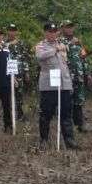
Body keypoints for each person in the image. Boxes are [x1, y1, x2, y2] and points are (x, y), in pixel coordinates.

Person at [36, 22, 79, 150]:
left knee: (66, 113)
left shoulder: (62, 44)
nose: (52, 34)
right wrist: (56, 50)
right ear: (45, 32)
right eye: (50, 31)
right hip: (49, 85)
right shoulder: (41, 45)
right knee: (46, 114)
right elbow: (40, 56)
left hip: (63, 84)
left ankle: (70, 141)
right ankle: (43, 140)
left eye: (55, 32)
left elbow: (66, 64)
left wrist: (69, 84)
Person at [59, 20, 92, 133]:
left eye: (71, 27)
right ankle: (67, 126)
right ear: (62, 29)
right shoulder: (59, 41)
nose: (70, 29)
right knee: (67, 101)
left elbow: (84, 57)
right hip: (66, 77)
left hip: (79, 76)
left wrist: (88, 73)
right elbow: (58, 54)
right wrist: (70, 44)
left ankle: (80, 125)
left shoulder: (78, 42)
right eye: (67, 27)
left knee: (79, 100)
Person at [5, 23, 30, 121]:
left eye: (14, 30)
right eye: (10, 30)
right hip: (7, 72)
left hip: (19, 71)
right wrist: (9, 44)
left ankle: (21, 114)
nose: (12, 32)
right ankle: (8, 116)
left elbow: (25, 57)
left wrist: (27, 71)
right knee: (7, 94)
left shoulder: (21, 43)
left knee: (19, 93)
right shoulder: (3, 43)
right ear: (7, 31)